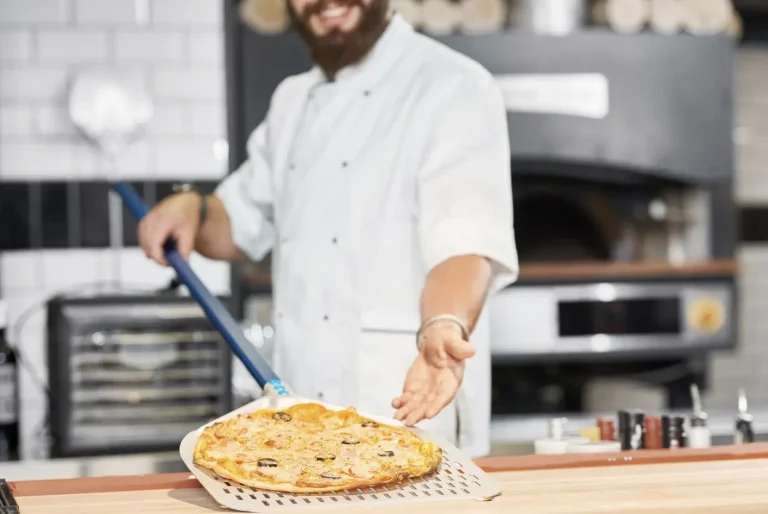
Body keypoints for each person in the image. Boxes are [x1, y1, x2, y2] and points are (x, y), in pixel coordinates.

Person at [138, 0, 518, 458]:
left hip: (402, 411)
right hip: (300, 419)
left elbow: (466, 243)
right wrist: (193, 205)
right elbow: (237, 225)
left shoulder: (452, 85)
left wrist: (442, 325)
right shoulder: (293, 100)